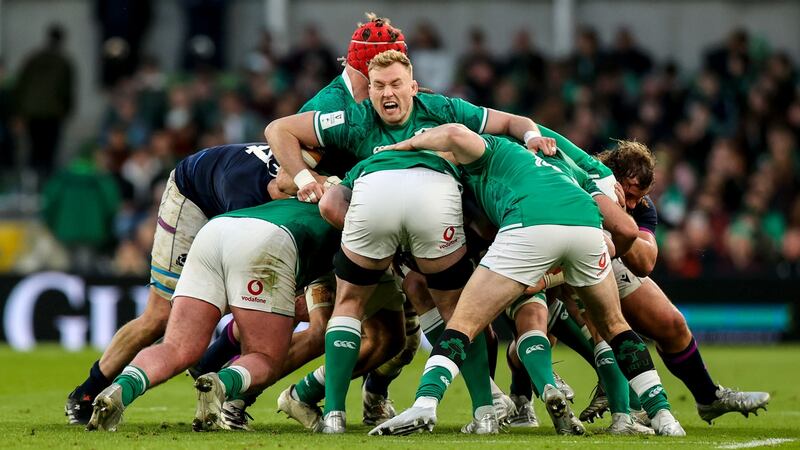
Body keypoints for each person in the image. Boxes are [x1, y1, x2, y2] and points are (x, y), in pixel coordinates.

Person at [65, 13, 413, 428]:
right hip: (200, 192)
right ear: (359, 69)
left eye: (395, 78)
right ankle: (88, 390)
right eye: (377, 76)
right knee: (167, 315)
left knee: (318, 324)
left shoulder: (379, 105)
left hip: (273, 215)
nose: (385, 87)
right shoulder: (327, 110)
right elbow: (285, 178)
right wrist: (312, 181)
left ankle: (227, 386)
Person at [265, 49, 561, 434]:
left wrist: (307, 182)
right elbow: (512, 123)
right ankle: (485, 412)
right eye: (379, 86)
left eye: (395, 85)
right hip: (435, 210)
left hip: (374, 207)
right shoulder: (377, 113)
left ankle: (334, 415)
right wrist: (533, 137)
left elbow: (283, 135)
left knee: (351, 303)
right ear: (368, 90)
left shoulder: (392, 114)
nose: (388, 94)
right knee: (458, 311)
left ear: (414, 87)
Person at [368, 124, 686, 437]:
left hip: (528, 226)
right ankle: (663, 415)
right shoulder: (559, 161)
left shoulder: (487, 150)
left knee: (463, 322)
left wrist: (403, 146)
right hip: (586, 228)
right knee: (614, 326)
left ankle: (425, 402)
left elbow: (453, 135)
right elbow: (622, 232)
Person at [85, 198, 340, 431]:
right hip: (269, 242)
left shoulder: (321, 195)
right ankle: (221, 384)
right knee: (265, 357)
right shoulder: (354, 221)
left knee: (177, 346)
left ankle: (120, 389)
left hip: (215, 230)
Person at [579, 141, 770, 424]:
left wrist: (620, 217)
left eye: (639, 197)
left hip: (607, 260)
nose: (633, 203)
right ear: (611, 177)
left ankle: (708, 397)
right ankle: (519, 397)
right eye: (630, 194)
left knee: (672, 323)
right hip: (565, 262)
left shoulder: (640, 207)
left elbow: (645, 263)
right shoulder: (579, 186)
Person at [15, 23, 74, 176]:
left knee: (34, 148)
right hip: (53, 113)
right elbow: (67, 91)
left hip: (33, 111)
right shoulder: (64, 62)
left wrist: (19, 110)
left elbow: (21, 85)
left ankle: (31, 180)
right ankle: (45, 181)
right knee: (49, 150)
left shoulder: (33, 59)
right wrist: (67, 111)